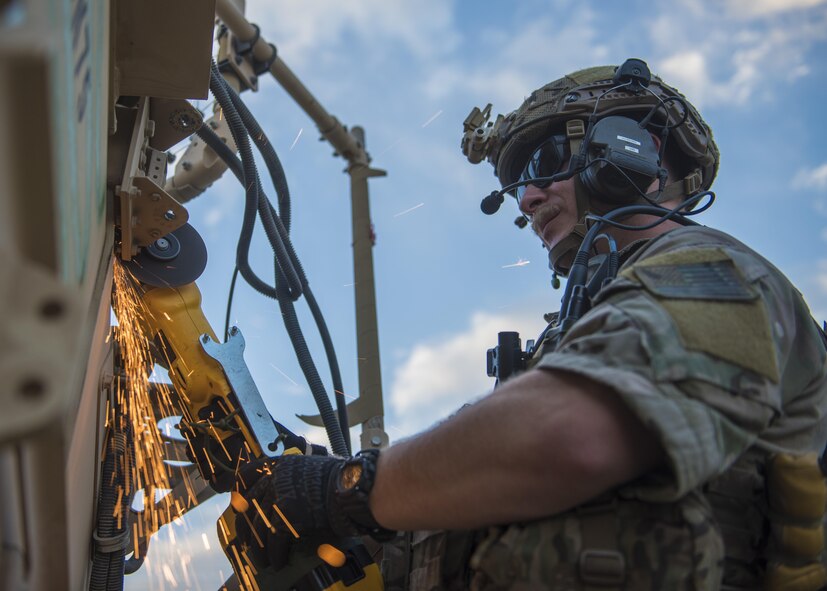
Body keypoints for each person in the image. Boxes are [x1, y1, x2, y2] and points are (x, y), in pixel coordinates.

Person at [234, 59, 827, 590]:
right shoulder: (573, 345)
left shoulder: (715, 272)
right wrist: (336, 520)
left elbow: (570, 435)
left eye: (543, 165)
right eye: (518, 182)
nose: (525, 198)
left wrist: (352, 489)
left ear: (630, 152)